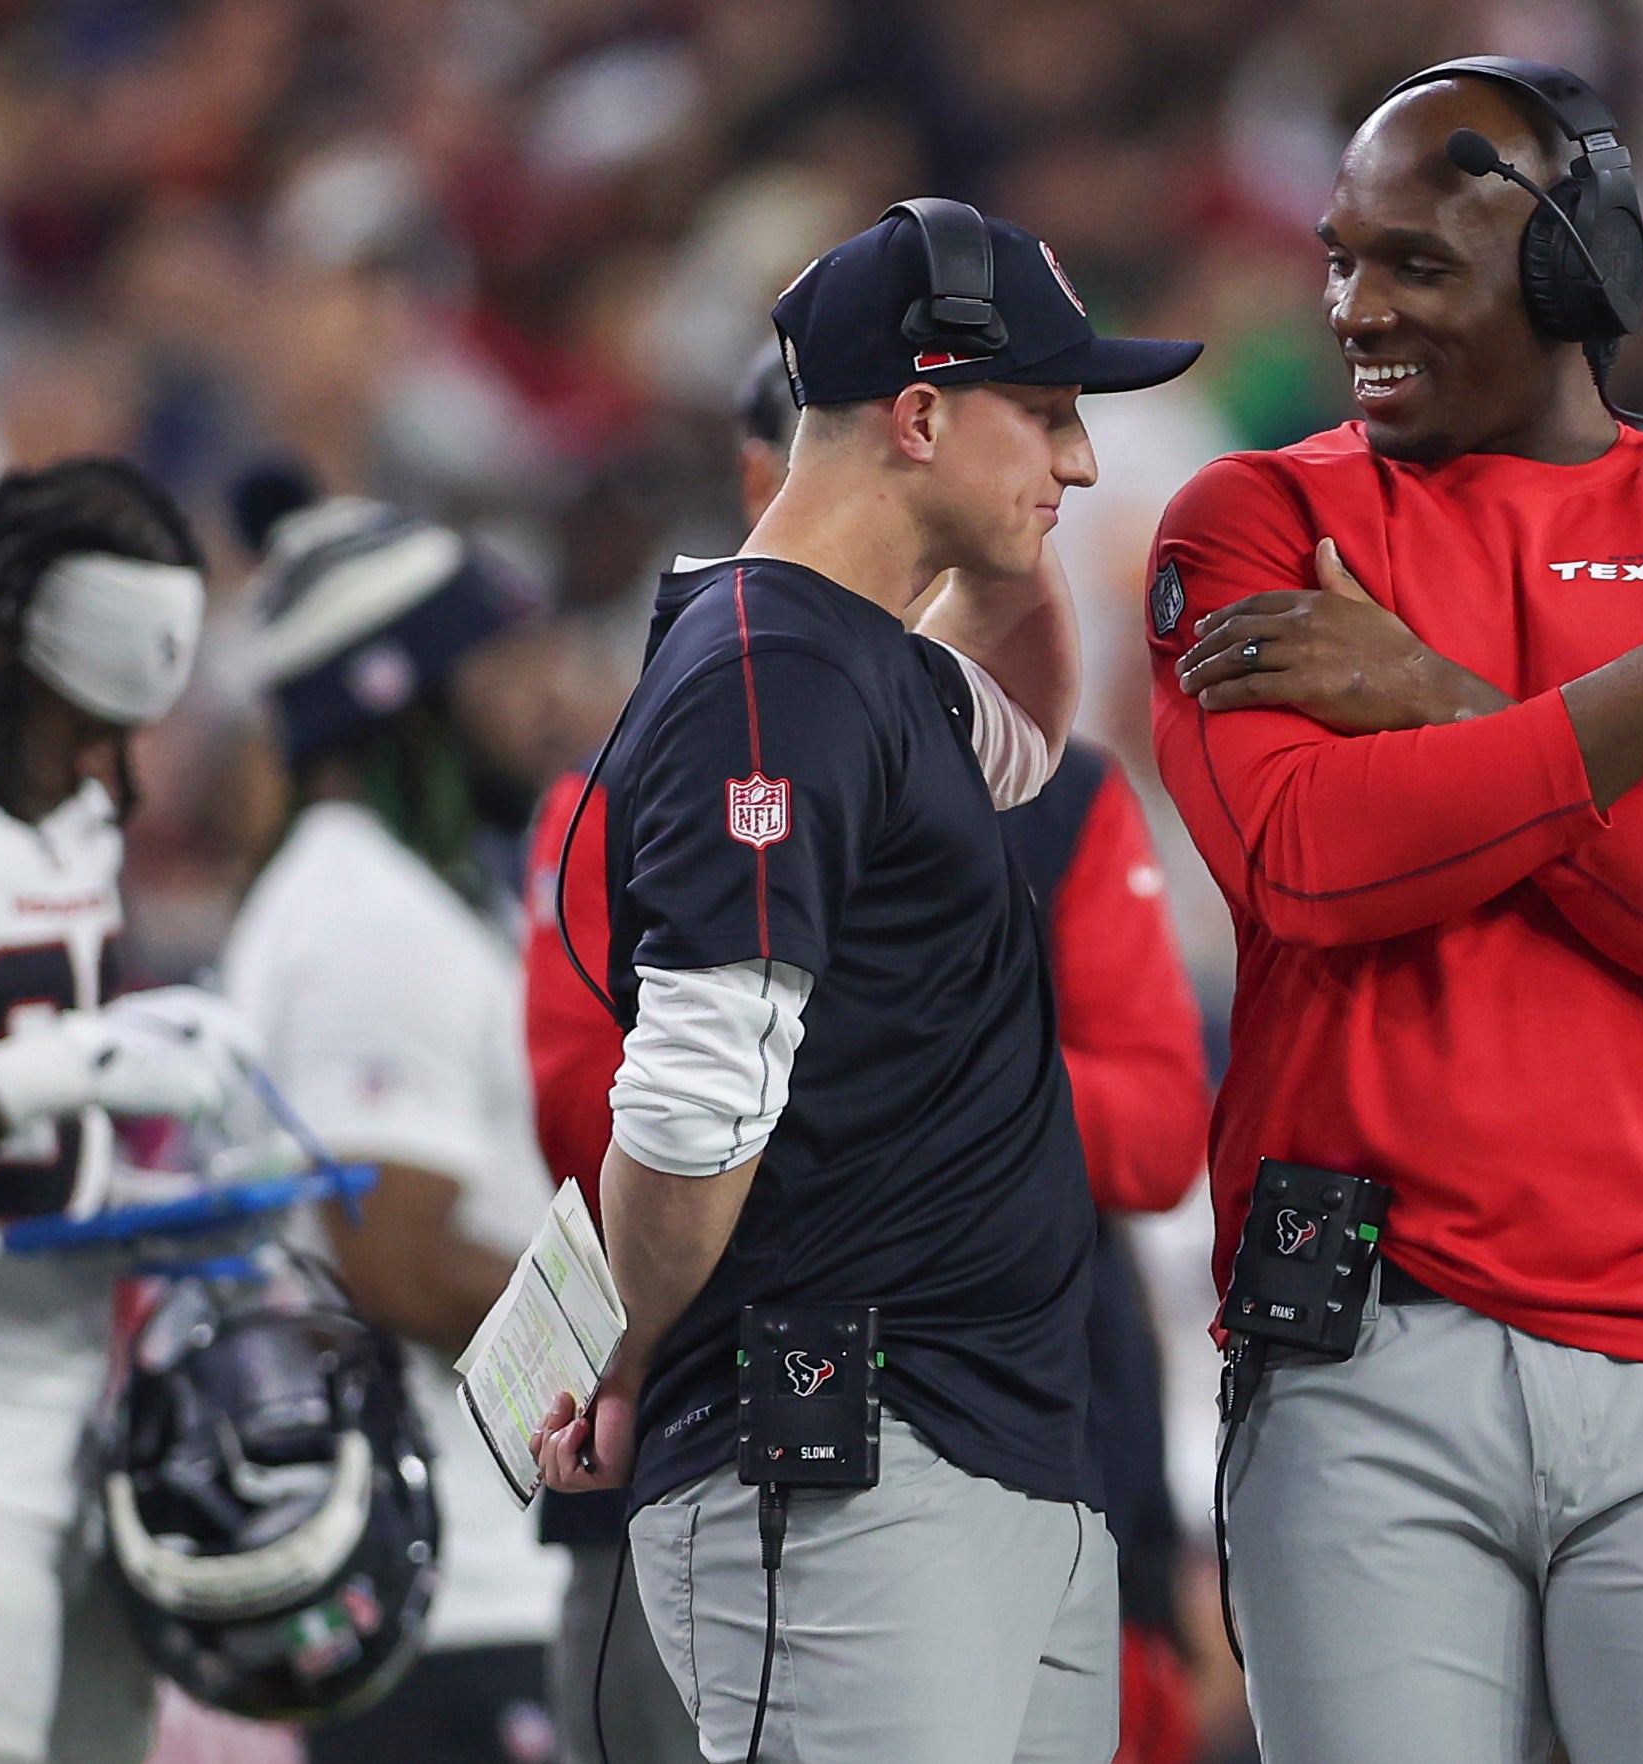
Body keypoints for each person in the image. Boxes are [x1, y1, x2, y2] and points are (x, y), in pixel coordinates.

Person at [1145, 58, 1643, 1764]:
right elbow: (1312, 864)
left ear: (1575, 270)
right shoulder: (1258, 516)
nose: (1353, 308)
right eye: (1338, 258)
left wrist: (1423, 699)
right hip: (1361, 1349)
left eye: (1414, 262)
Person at [530, 202, 1201, 1764]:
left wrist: (1005, 534)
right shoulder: (773, 676)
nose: (1084, 463)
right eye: (1044, 413)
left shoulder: (857, 659)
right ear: (919, 415)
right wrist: (623, 1345)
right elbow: (695, 1104)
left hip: (974, 1451)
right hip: (839, 1467)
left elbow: (1027, 742)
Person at [220, 479, 570, 1764]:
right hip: (451, 1594)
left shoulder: (383, 897)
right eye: (500, 659)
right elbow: (396, 1259)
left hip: (442, 1575)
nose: (544, 696)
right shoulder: (370, 919)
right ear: (398, 689)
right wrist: (646, 1344)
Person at [0, 458, 236, 1764]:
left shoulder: (75, 830)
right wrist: (53, 1074)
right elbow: (52, 1076)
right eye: (81, 729)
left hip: (80, 1423)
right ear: (0, 672)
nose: (115, 779)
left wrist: (170, 1202)